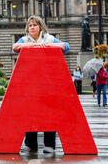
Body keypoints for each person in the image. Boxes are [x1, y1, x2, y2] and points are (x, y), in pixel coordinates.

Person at [12, 15, 70, 155]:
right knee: (30, 113)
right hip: (30, 82)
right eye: (30, 25)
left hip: (48, 82)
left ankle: (49, 144)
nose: (32, 27)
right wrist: (34, 45)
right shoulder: (25, 39)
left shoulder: (49, 38)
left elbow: (65, 46)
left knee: (49, 113)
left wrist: (51, 45)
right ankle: (30, 144)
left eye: (35, 25)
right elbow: (15, 47)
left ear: (40, 27)